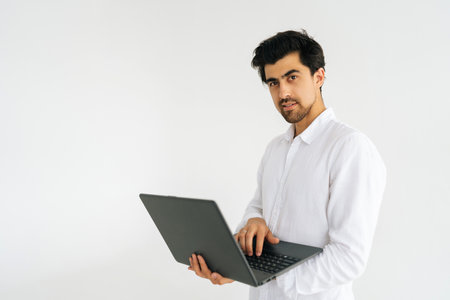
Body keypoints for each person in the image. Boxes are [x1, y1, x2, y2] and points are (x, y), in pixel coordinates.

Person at [188, 29, 386, 300]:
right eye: (273, 83)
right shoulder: (275, 149)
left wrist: (273, 276)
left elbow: (349, 256)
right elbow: (258, 206)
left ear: (318, 76)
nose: (283, 92)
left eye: (292, 77)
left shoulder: (349, 148)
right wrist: (242, 248)